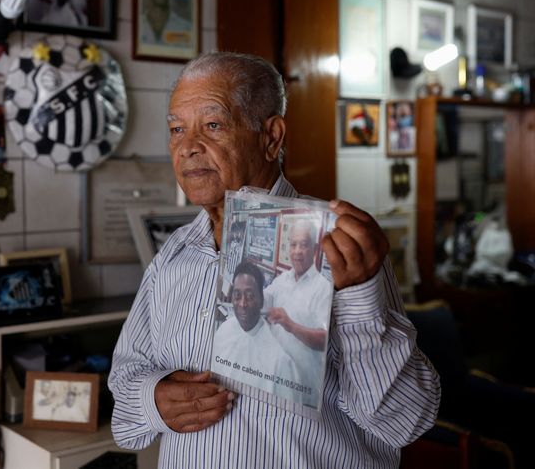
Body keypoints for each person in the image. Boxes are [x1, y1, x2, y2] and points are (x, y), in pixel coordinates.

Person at [108, 52, 440, 468]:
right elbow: (125, 390)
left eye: (213, 125)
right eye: (177, 129)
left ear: (271, 137)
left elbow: (406, 422)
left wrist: (358, 299)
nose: (188, 147)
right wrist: (153, 397)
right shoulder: (174, 255)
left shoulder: (334, 244)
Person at [264, 220, 332, 407]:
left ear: (315, 248)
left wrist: (290, 325)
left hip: (304, 388)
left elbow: (323, 340)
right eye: (293, 244)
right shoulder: (282, 279)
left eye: (304, 244)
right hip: (276, 379)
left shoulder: (323, 287)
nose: (297, 251)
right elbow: (264, 302)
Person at [211, 261, 300, 401]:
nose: (242, 304)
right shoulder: (223, 332)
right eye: (237, 295)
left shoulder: (281, 362)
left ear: (261, 299)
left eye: (250, 296)